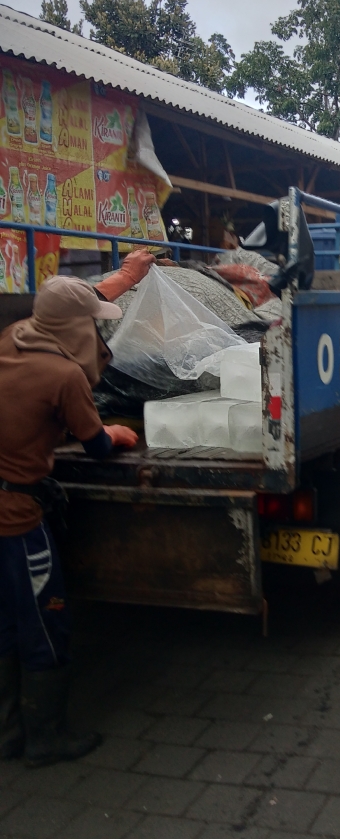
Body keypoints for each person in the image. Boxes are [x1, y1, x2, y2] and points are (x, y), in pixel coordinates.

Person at [0, 251, 154, 768]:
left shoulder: (14, 337)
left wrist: (129, 276)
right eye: (90, 325)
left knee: (2, 625)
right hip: (18, 522)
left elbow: (79, 304)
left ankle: (7, 735)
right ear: (75, 329)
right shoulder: (64, 377)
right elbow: (98, 448)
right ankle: (46, 737)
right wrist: (113, 432)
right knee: (45, 622)